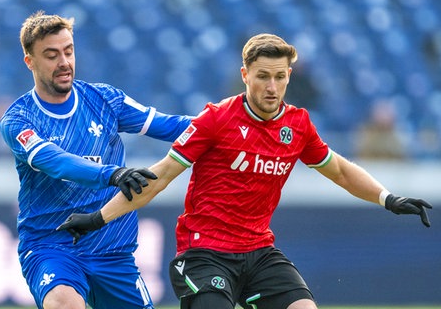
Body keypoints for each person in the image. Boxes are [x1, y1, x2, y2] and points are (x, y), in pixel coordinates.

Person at [57, 33, 433, 309]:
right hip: (204, 253)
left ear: (289, 77)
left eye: (280, 77)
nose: (272, 87)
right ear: (245, 74)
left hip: (258, 251)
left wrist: (388, 198)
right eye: (263, 76)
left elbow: (340, 171)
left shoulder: (298, 125)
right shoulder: (215, 120)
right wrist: (97, 218)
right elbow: (159, 178)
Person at [0, 11, 192, 309]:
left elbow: (171, 126)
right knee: (64, 304)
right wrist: (112, 174)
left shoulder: (104, 100)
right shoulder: (18, 119)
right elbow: (55, 161)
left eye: (68, 51)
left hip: (112, 249)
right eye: (51, 55)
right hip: (53, 245)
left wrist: (231, 118)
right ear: (30, 62)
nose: (64, 62)